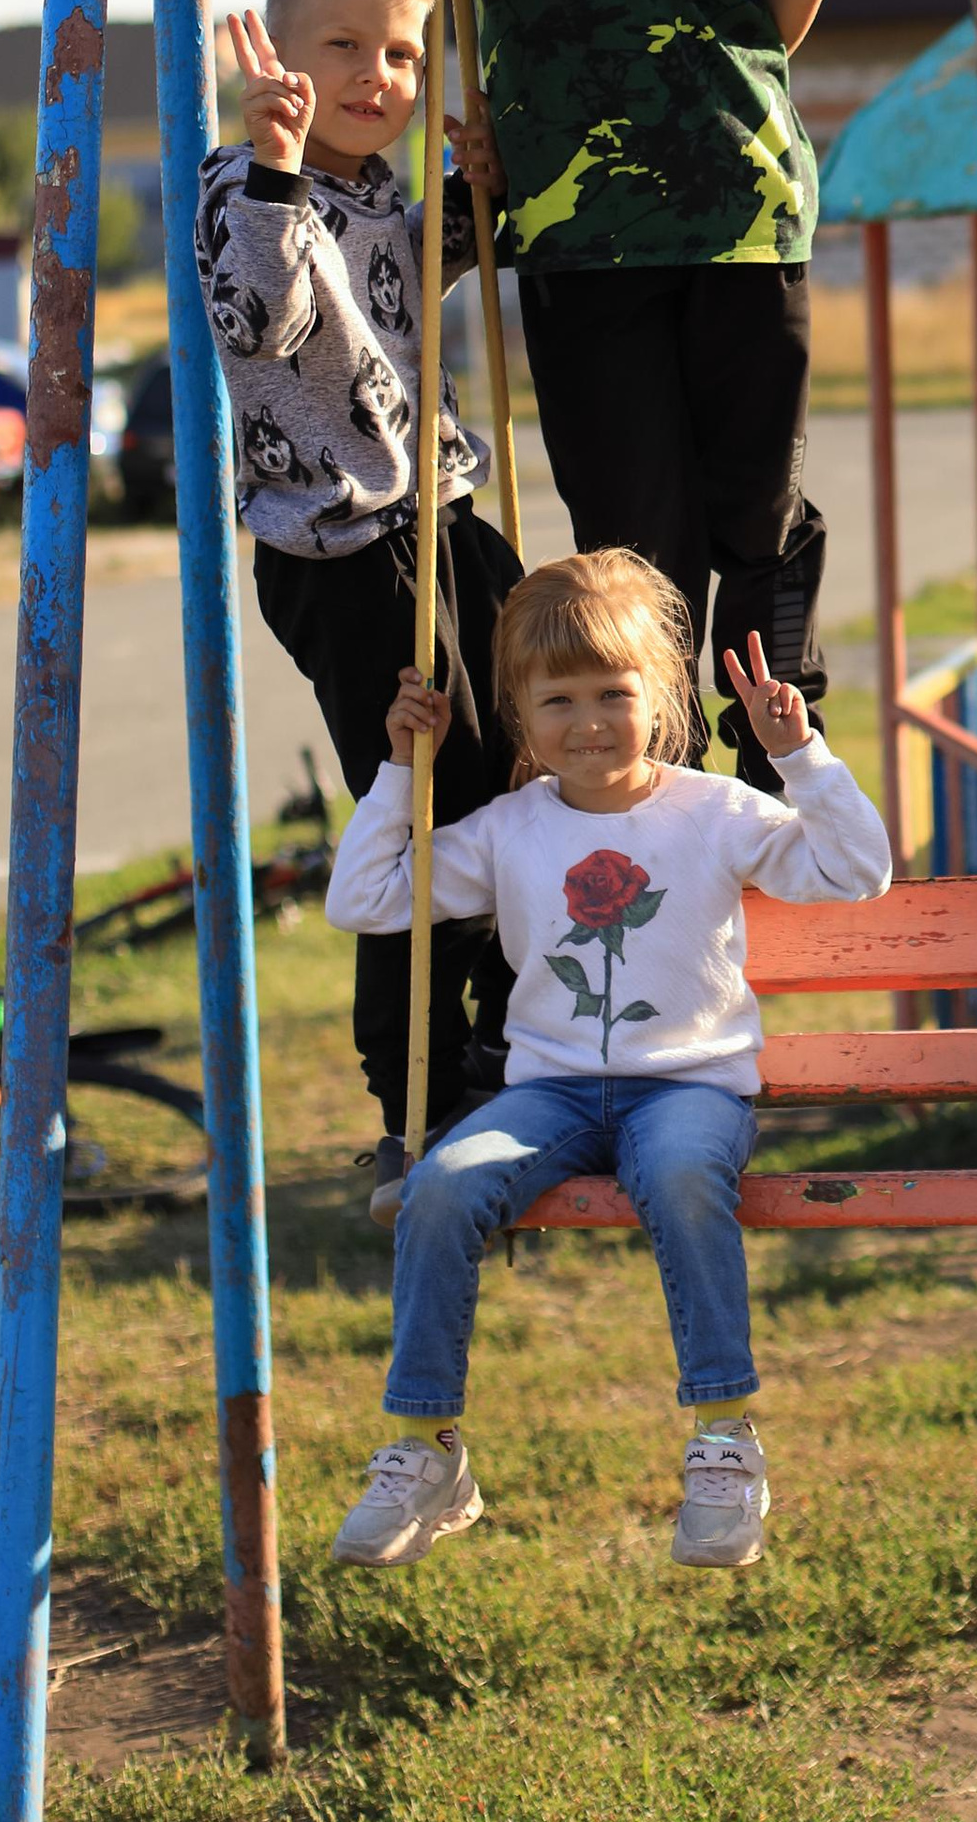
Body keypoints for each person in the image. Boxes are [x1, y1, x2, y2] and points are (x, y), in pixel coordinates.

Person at [343, 0, 887, 791]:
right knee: (638, 536)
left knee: (756, 515)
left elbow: (761, 28)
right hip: (581, 231)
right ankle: (653, 788)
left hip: (746, 205)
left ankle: (776, 769)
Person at [323, 547, 891, 1577]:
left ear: (663, 696)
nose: (587, 723)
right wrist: (402, 766)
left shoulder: (714, 812)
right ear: (517, 713)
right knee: (438, 1186)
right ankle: (426, 1446)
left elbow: (856, 872)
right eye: (557, 701)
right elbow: (364, 902)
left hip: (690, 1086)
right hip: (550, 1095)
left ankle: (725, 1439)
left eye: (613, 693)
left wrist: (799, 756)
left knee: (678, 1177)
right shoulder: (505, 830)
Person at [204, 0, 519, 1220]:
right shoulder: (243, 186)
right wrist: (276, 162)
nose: (378, 73)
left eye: (400, 52)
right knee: (423, 804)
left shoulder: (381, 186)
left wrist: (472, 202)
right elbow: (259, 320)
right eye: (343, 47)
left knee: (519, 774)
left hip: (443, 510)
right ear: (280, 58)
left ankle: (515, 1045)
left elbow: (407, 285)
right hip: (342, 551)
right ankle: (417, 1091)